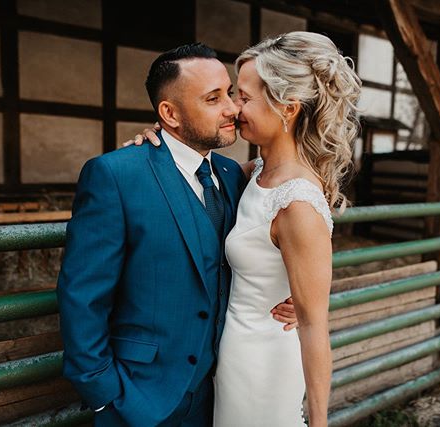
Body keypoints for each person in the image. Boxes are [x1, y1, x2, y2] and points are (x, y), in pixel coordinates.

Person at [126, 31, 361, 426]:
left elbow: (315, 326)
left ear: (287, 109)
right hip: (230, 357)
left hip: (264, 363)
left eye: (245, 98)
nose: (234, 107)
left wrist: (319, 422)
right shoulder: (250, 173)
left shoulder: (298, 203)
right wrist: (165, 134)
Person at [56, 43, 298, 427]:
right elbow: (82, 297)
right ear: (169, 113)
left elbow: (293, 218)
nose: (232, 109)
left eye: (231, 93)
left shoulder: (236, 176)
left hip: (225, 392)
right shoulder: (116, 176)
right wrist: (105, 396)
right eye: (213, 98)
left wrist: (297, 294)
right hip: (140, 398)